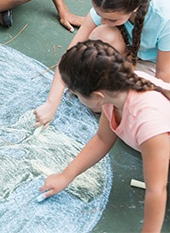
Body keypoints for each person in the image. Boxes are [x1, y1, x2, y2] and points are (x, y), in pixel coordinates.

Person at [39, 40, 170, 233]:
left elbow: (156, 190)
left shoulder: (148, 122)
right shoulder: (116, 91)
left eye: (75, 93)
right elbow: (102, 139)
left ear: (98, 96)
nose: (71, 95)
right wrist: (65, 176)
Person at [34, 0, 170, 128]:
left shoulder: (164, 15)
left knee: (109, 102)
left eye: (112, 19)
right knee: (101, 35)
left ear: (134, 8)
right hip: (134, 56)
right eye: (99, 15)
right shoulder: (110, 3)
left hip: (160, 68)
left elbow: (163, 76)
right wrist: (51, 104)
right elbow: (70, 55)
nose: (103, 22)